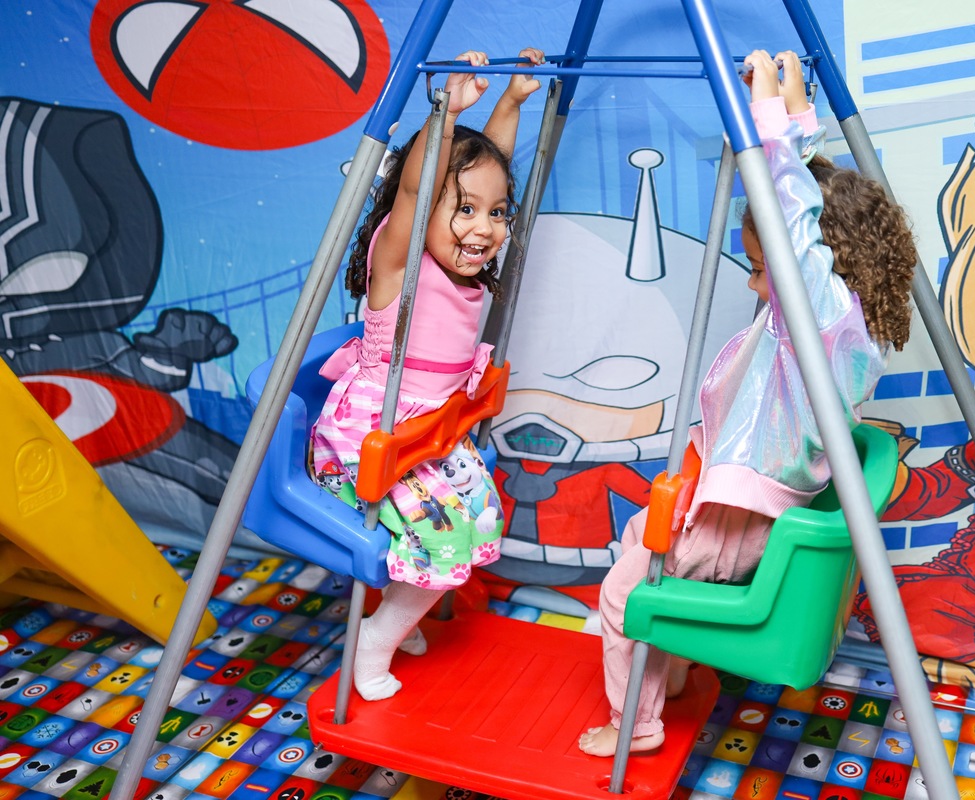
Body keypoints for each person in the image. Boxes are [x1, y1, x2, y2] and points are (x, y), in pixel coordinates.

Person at [578, 50, 917, 757]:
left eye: (764, 271)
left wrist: (762, 117)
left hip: (740, 522)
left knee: (622, 597)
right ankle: (663, 676)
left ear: (816, 268)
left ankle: (634, 726)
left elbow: (797, 217)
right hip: (741, 508)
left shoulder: (816, 322)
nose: (760, 286)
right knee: (642, 536)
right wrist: (794, 113)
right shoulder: (842, 326)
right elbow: (811, 204)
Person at [310, 48, 544, 701]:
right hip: (367, 447)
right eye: (464, 212)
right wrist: (445, 112)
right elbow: (421, 189)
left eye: (497, 214)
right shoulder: (401, 261)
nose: (483, 229)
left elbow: (480, 173)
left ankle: (398, 612)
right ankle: (375, 640)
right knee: (446, 536)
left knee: (483, 511)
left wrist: (511, 104)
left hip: (427, 441)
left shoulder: (459, 254)